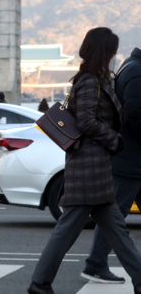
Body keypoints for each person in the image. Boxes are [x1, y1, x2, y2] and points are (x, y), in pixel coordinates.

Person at [28, 27, 141, 294]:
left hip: (96, 166)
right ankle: (39, 282)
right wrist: (114, 139)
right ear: (104, 51)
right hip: (88, 167)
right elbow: (87, 121)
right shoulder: (90, 81)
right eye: (112, 50)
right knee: (66, 231)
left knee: (118, 232)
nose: (115, 54)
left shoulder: (97, 78)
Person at [80, 47, 141, 284]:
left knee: (113, 216)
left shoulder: (130, 67)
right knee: (113, 217)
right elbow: (135, 116)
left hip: (130, 159)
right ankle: (95, 264)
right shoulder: (136, 72)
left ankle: (95, 263)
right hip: (131, 161)